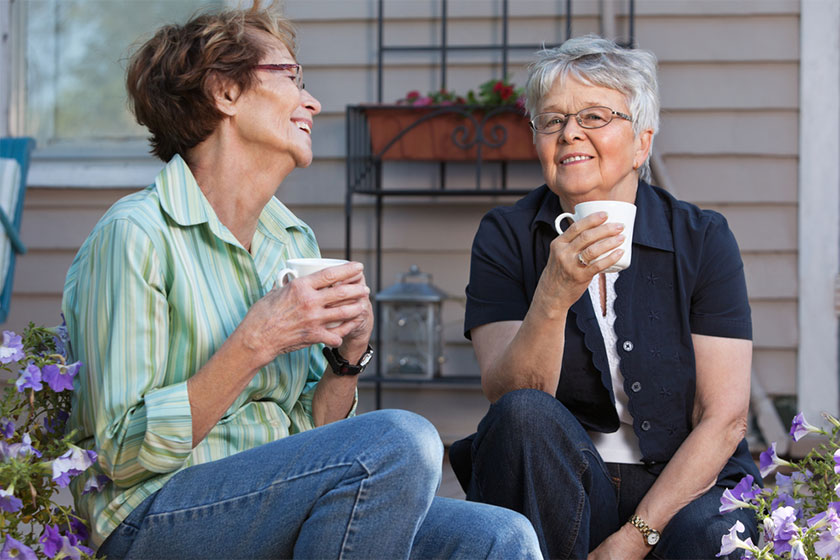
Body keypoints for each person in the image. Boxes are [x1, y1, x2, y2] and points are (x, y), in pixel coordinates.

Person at [62, 4, 542, 559]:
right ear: (225, 92)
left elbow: (314, 433)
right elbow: (121, 451)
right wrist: (257, 341)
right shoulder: (136, 235)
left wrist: (348, 356)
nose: (310, 101)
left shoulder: (291, 241)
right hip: (153, 514)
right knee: (401, 440)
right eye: (289, 78)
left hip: (278, 500)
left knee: (499, 537)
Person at [449, 35, 761, 560]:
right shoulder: (506, 235)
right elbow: (508, 397)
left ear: (642, 141)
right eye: (551, 120)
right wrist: (553, 293)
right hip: (561, 483)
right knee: (522, 414)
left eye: (594, 116)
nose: (570, 132)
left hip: (687, 489)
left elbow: (724, 416)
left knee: (714, 537)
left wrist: (632, 540)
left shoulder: (702, 239)